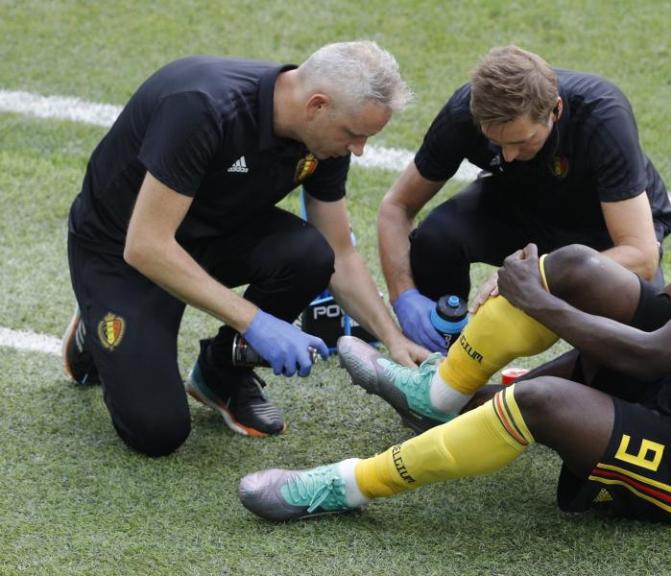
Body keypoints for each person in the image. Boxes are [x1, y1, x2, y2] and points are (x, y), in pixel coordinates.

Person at [238, 118, 671, 524]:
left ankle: (343, 486)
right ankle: (440, 394)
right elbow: (664, 314)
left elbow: (650, 353)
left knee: (544, 401)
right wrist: (556, 290)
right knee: (574, 267)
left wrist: (539, 306)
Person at [61, 41, 430, 457]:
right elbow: (146, 246)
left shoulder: (326, 139)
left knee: (312, 254)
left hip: (213, 232)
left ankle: (220, 374)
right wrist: (255, 321)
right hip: (124, 249)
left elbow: (340, 253)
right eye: (354, 134)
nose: (359, 149)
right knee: (157, 431)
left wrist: (393, 340)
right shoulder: (203, 107)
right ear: (317, 105)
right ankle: (95, 320)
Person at [379, 45, 671, 353]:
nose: (508, 155)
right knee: (436, 238)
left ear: (555, 111)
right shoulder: (462, 114)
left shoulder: (601, 114)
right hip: (521, 201)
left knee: (640, 336)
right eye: (496, 142)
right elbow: (397, 206)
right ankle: (438, 360)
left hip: (604, 225)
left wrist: (536, 274)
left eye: (522, 141)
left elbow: (640, 255)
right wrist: (404, 297)